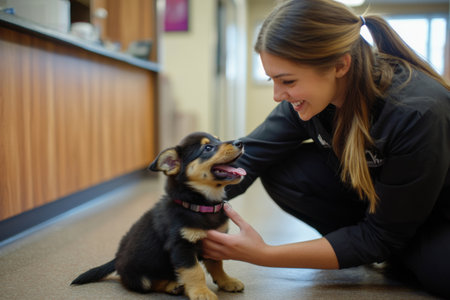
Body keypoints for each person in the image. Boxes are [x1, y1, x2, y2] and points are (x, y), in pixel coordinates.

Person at [201, 0, 450, 298]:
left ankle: (378, 247)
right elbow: (251, 157)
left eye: (288, 81)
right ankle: (369, 245)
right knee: (283, 169)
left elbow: (385, 234)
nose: (277, 95)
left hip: (434, 213)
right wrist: (175, 215)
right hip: (379, 205)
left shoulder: (417, 111)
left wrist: (263, 255)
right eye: (272, 80)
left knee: (440, 274)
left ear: (340, 65)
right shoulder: (309, 102)